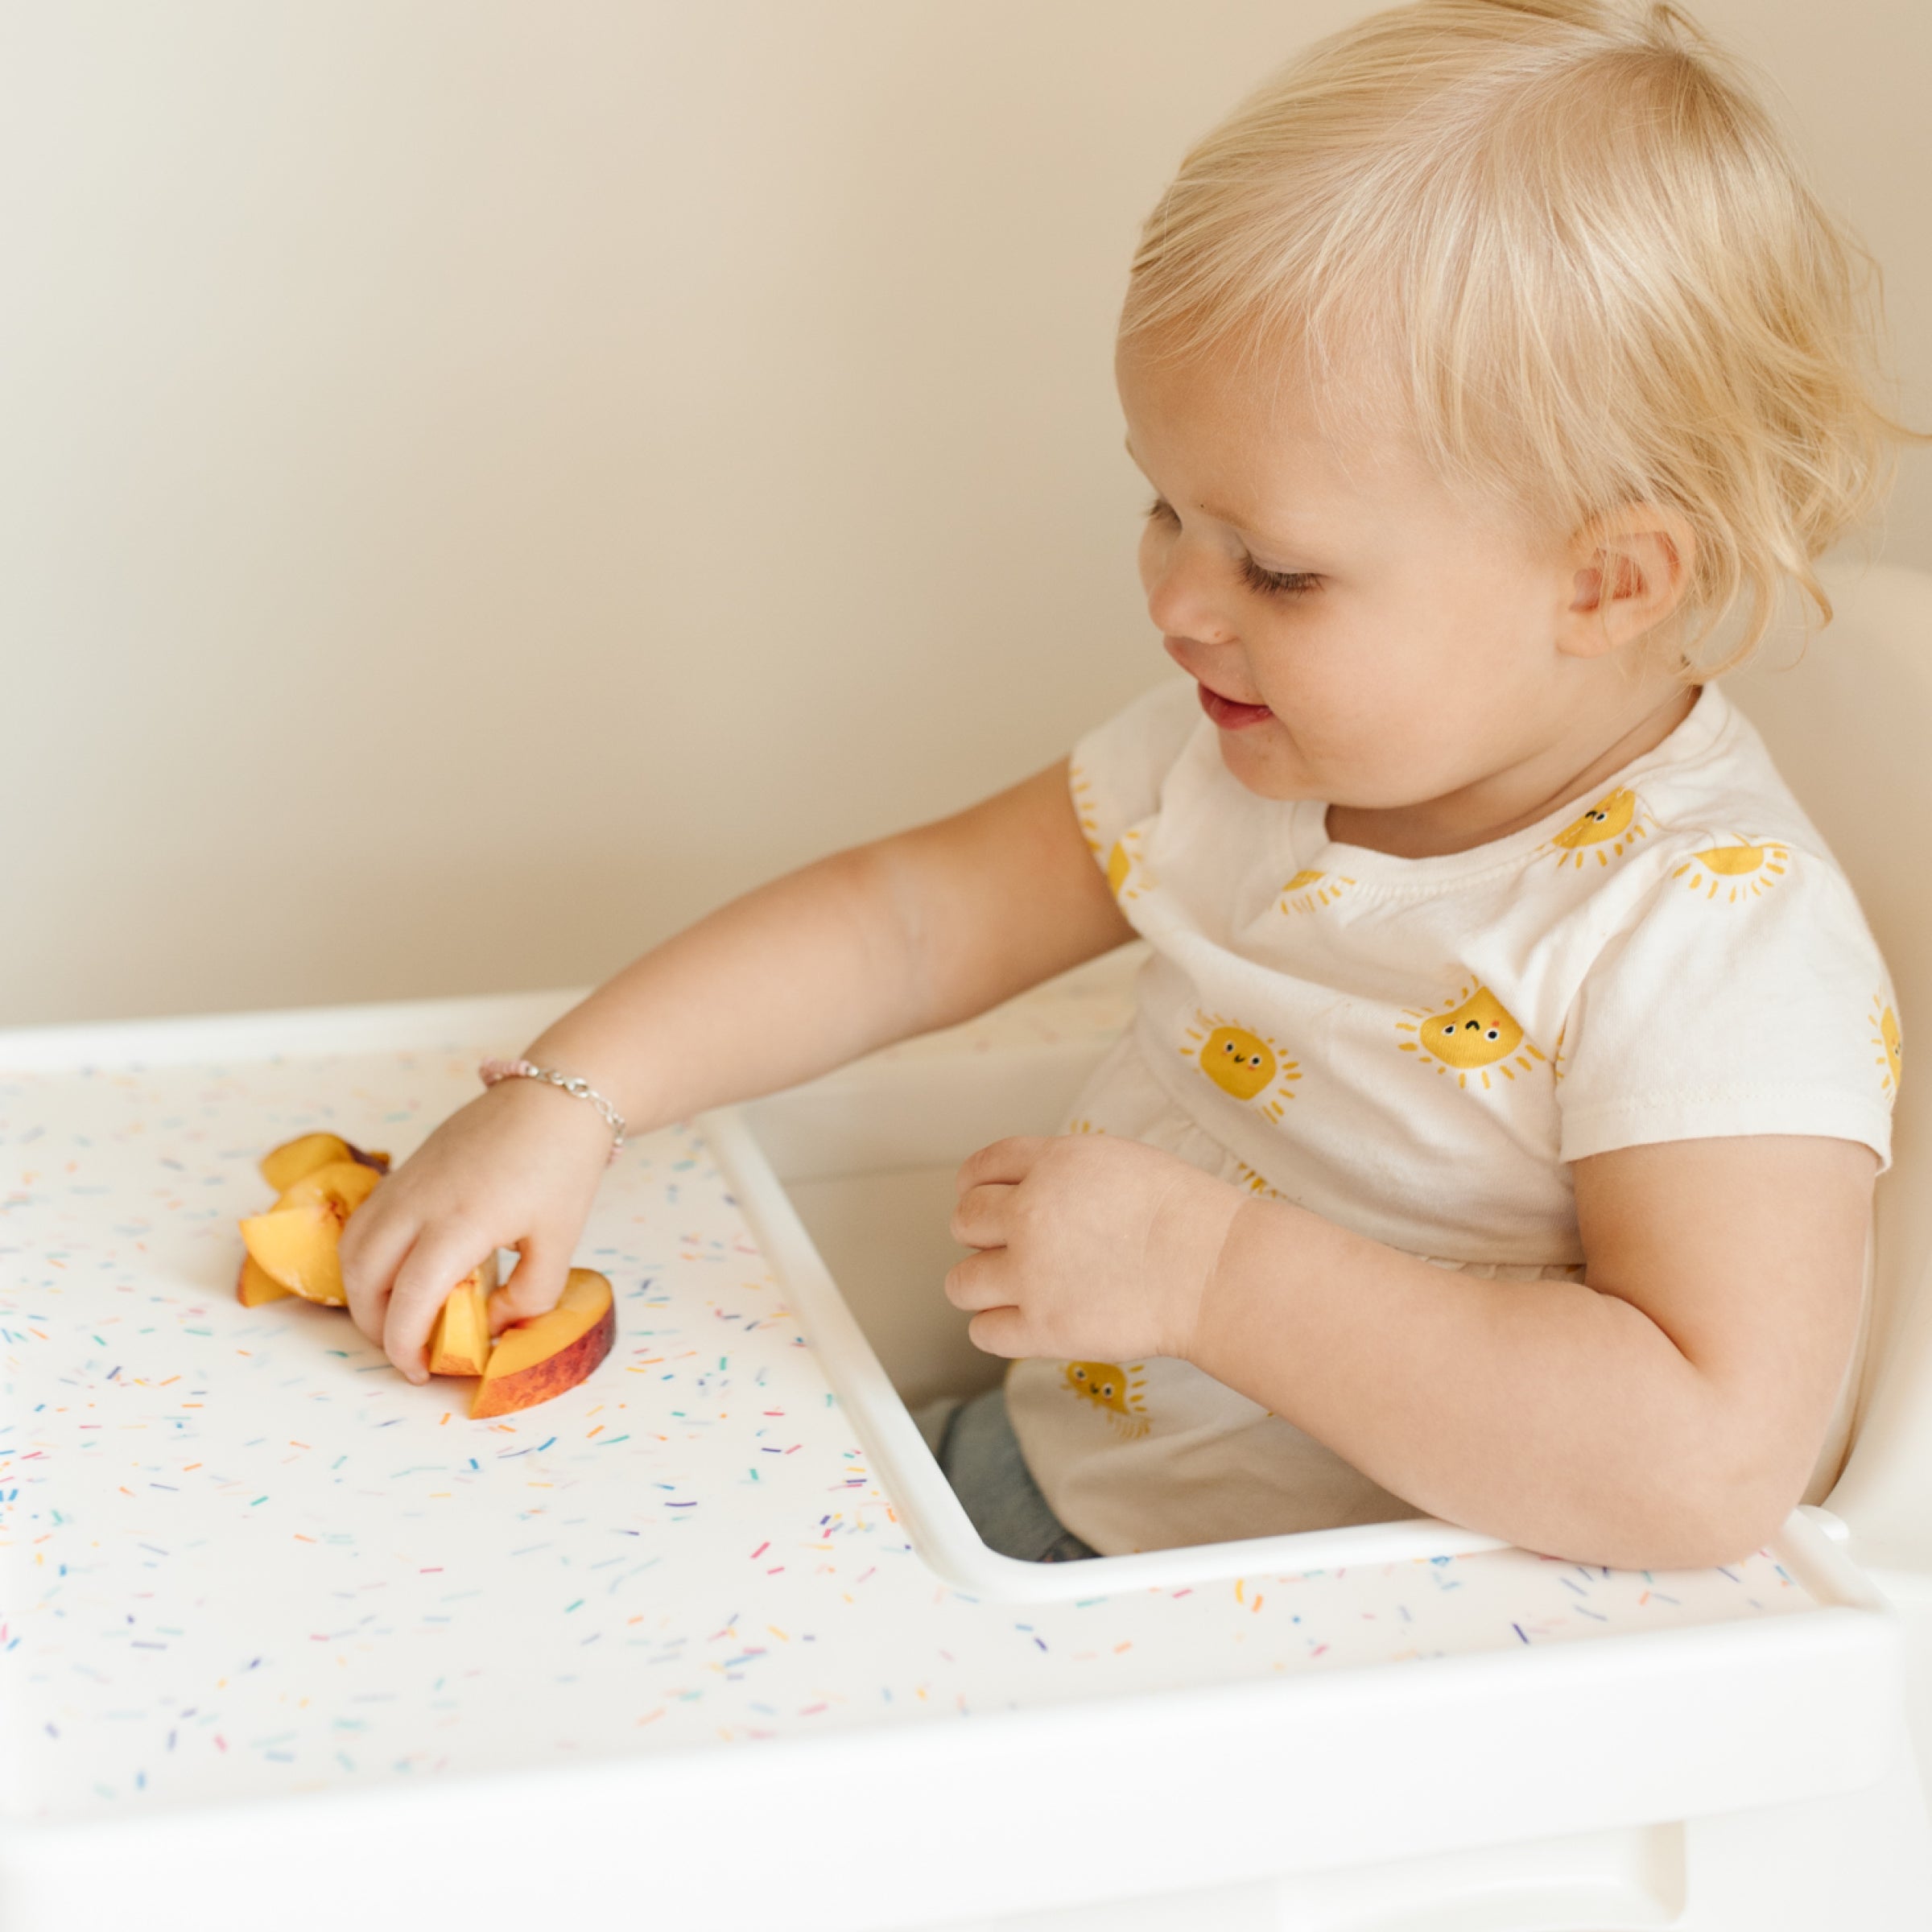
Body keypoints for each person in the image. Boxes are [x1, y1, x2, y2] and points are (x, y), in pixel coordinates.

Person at [341, 0, 1928, 1572]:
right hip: (1045, 1492)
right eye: (1163, 507)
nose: (1176, 599)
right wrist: (574, 1098)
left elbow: (1708, 1468)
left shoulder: (1711, 941)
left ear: (1609, 584)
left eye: (1282, 570)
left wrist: (1218, 1276)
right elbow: (909, 921)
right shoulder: (1246, 758)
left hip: (1320, 1681)